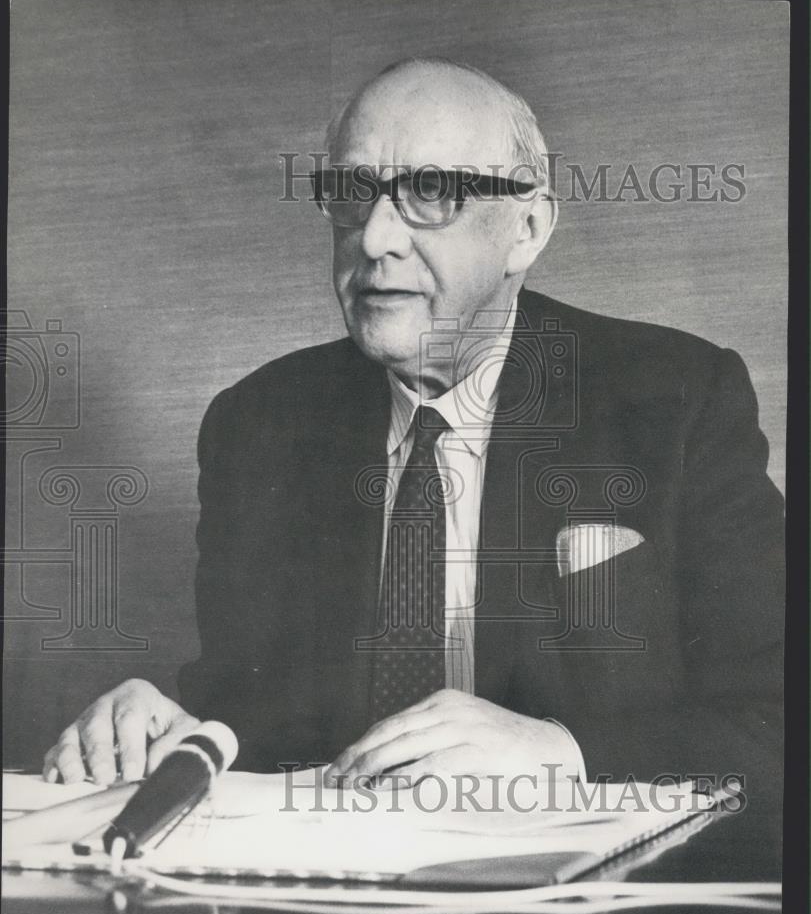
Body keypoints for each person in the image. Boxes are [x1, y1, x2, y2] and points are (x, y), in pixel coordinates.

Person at [43, 58, 784, 806]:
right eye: (352, 194)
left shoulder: (675, 400)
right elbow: (252, 717)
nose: (373, 240)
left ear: (526, 228)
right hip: (334, 899)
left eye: (430, 192)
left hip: (577, 908)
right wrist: (174, 733)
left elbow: (778, 719)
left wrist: (559, 752)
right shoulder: (260, 423)